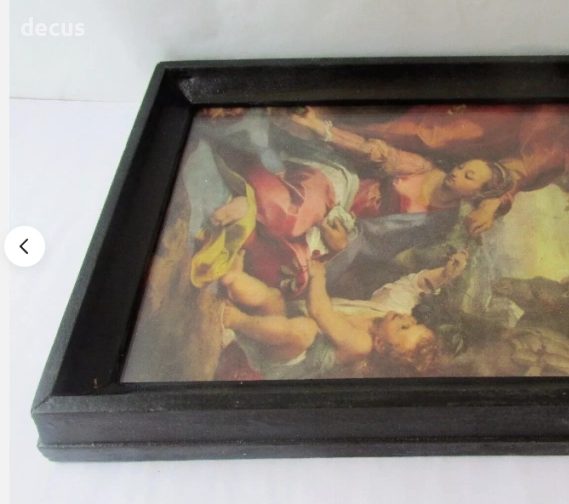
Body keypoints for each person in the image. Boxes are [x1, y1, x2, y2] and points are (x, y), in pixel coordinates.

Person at [203, 107, 512, 296]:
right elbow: (375, 152)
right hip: (339, 188)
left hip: (346, 229)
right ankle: (251, 201)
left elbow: (382, 245)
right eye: (462, 166)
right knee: (293, 216)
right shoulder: (422, 168)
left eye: (468, 176)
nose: (458, 172)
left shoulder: (440, 222)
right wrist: (322, 130)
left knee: (297, 277)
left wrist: (341, 244)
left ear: (476, 194)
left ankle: (250, 215)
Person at [216, 249, 470, 379]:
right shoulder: (389, 314)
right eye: (413, 321)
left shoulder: (361, 344)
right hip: (281, 326)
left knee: (303, 330)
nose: (406, 317)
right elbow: (412, 288)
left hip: (285, 357)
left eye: (405, 327)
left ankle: (235, 321)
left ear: (381, 345)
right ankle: (233, 281)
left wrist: (319, 276)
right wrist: (445, 274)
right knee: (272, 297)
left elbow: (319, 311)